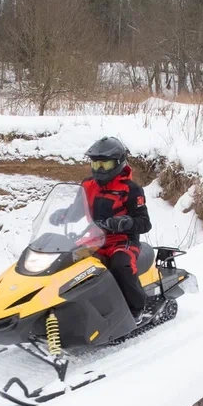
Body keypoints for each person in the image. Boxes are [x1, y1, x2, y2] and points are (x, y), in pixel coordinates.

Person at [51, 136, 153, 323]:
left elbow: (145, 222)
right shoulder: (88, 185)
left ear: (118, 163)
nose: (98, 169)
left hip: (123, 241)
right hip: (94, 237)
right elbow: (77, 211)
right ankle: (60, 307)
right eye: (95, 164)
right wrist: (63, 215)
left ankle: (137, 308)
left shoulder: (131, 189)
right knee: (66, 261)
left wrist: (124, 222)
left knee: (120, 265)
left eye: (104, 164)